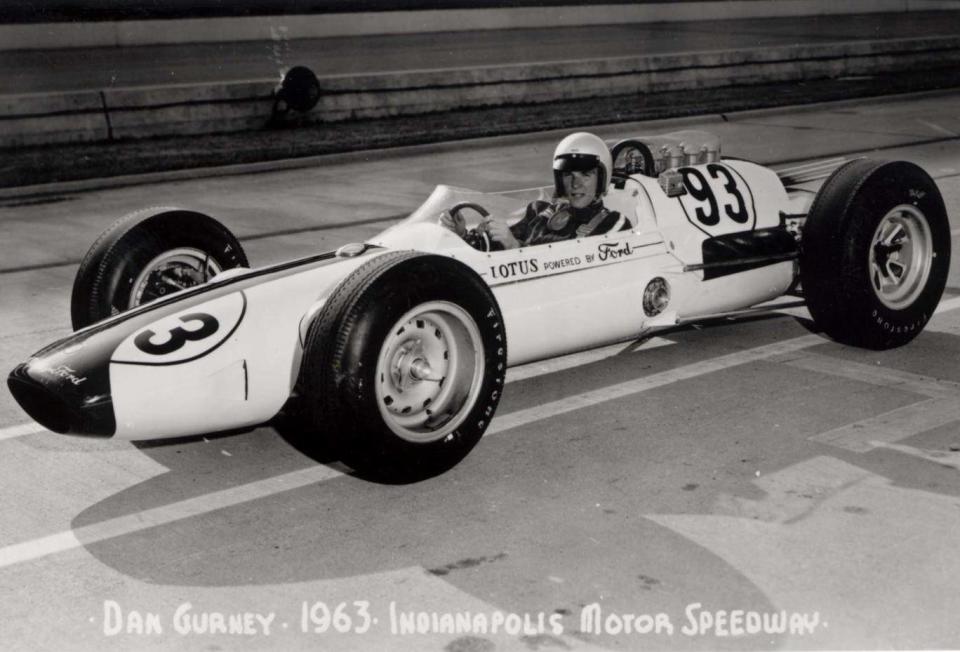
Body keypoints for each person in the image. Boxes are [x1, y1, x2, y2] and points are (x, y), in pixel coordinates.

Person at [440, 132, 627, 250]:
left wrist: (514, 246)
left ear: (601, 179)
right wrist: (463, 235)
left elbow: (573, 265)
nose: (575, 184)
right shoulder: (540, 211)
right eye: (568, 175)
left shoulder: (613, 223)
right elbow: (496, 248)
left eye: (585, 175)